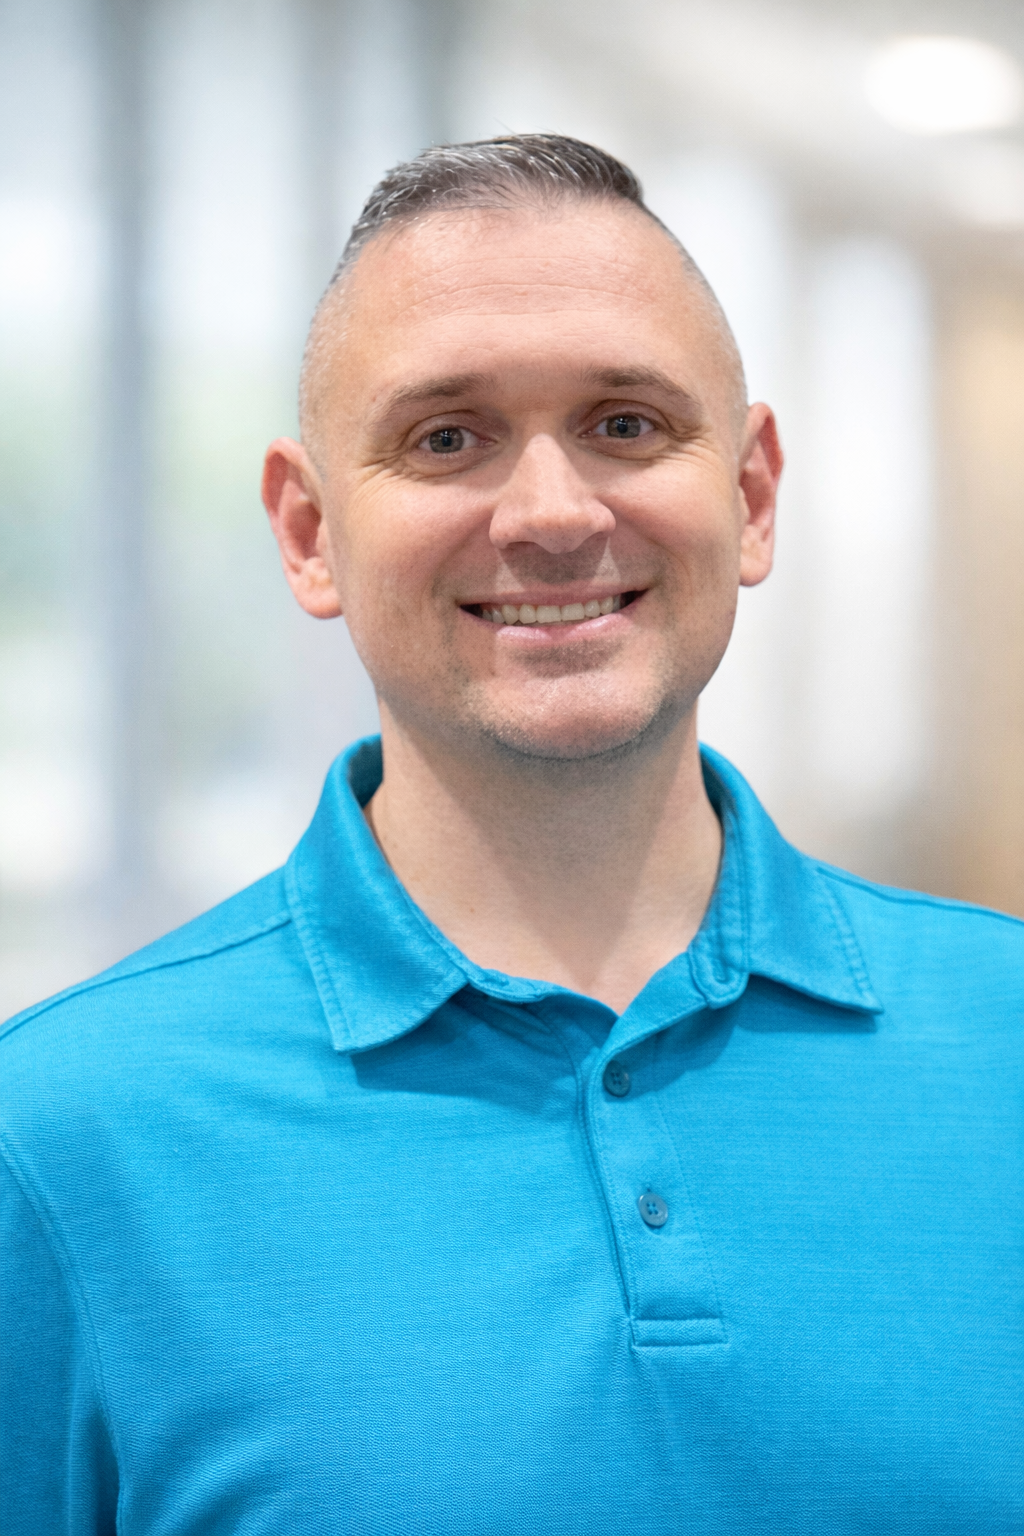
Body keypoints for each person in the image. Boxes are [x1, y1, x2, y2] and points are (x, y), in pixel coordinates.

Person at [1, 135, 1020, 1535]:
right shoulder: (59, 1139)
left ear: (753, 494)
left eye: (625, 425)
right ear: (309, 531)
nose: (551, 515)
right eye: (445, 439)